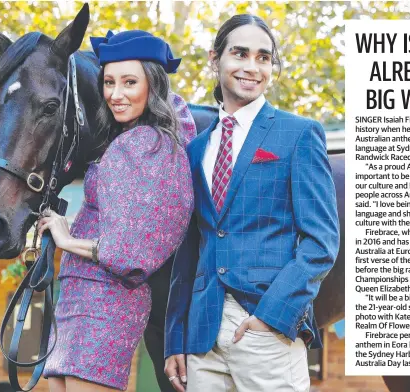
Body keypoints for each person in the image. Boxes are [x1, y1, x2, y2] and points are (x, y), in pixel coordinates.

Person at [164, 14, 340, 392]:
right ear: (216, 59)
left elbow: (320, 243)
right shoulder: (194, 151)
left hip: (266, 331)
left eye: (263, 57)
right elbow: (188, 250)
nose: (251, 67)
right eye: (240, 53)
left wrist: (273, 316)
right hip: (202, 338)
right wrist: (174, 339)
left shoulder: (299, 135)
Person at [39, 30, 196, 391]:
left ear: (152, 86)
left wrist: (67, 238)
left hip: (106, 303)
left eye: (129, 82)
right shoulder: (124, 140)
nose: (116, 94)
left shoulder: (149, 144)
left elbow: (132, 253)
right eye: (109, 82)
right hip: (79, 298)